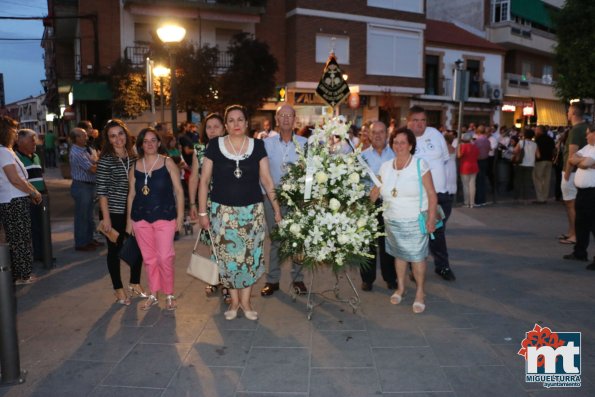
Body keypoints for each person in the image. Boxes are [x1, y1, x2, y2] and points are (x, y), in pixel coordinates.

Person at [198, 104, 281, 321]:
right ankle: (234, 302)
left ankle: (246, 301)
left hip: (252, 212)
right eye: (231, 120)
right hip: (221, 213)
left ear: (246, 123)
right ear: (226, 125)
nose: (236, 124)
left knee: (250, 258)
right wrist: (202, 212)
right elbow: (204, 180)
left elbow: (267, 179)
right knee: (227, 259)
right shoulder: (215, 146)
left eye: (240, 120)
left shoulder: (258, 145)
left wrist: (277, 209)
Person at [371, 128, 438, 314]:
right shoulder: (385, 166)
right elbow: (375, 193)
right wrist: (371, 195)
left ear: (410, 145)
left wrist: (431, 219)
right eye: (395, 142)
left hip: (415, 220)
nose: (398, 146)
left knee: (417, 257)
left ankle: (420, 292)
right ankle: (400, 287)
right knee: (399, 255)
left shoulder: (420, 164)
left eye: (402, 142)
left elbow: (432, 195)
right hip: (391, 220)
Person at [126, 128, 184, 311]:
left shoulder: (168, 163)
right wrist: (129, 221)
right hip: (140, 218)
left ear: (159, 143)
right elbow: (131, 195)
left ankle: (169, 293)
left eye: (153, 140)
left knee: (165, 257)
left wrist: (180, 218)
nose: (150, 144)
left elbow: (179, 191)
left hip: (164, 216)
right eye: (145, 141)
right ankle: (153, 293)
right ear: (141, 145)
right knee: (149, 259)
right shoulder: (135, 166)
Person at [97, 119, 147, 306]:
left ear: (126, 134)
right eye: (113, 136)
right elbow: (101, 191)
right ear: (108, 140)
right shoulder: (106, 160)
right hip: (113, 212)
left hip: (133, 211)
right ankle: (118, 289)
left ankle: (134, 283)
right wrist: (106, 218)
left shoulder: (134, 156)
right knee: (114, 251)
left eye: (120, 134)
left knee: (139, 247)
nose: (118, 139)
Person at [260, 104, 308, 296]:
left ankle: (298, 279)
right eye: (282, 116)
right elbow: (262, 173)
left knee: (297, 239)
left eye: (290, 116)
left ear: (295, 119)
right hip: (272, 198)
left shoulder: (305, 143)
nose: (286, 119)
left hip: (296, 199)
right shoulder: (266, 143)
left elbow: (310, 173)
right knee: (276, 239)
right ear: (277, 120)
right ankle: (272, 280)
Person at [406, 106, 455, 281]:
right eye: (415, 120)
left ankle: (442, 267)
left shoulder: (435, 134)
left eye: (423, 120)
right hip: (418, 198)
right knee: (417, 234)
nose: (420, 124)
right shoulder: (404, 139)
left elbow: (445, 159)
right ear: (408, 121)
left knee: (438, 233)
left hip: (441, 195)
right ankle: (414, 269)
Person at [188, 113, 228, 301]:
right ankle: (214, 279)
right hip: (209, 204)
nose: (212, 130)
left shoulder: (232, 147)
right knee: (214, 244)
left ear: (224, 128)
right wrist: (194, 203)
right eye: (209, 127)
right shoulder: (200, 150)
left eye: (216, 126)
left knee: (228, 244)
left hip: (230, 203)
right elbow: (194, 178)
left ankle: (227, 282)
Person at [0, 115, 42, 284]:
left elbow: (20, 178)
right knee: (19, 239)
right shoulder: (3, 152)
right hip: (13, 200)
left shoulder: (7, 151)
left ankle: (22, 273)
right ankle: (22, 275)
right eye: (13, 130)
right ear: (5, 132)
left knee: (21, 237)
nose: (16, 133)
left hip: (16, 199)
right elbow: (15, 179)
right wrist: (33, 193)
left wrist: (31, 191)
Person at [360, 121, 397, 291]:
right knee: (367, 242)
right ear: (369, 135)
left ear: (387, 135)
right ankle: (367, 279)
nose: (378, 135)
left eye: (381, 132)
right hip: (369, 204)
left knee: (388, 242)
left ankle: (390, 277)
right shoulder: (362, 156)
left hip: (390, 204)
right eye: (374, 132)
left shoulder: (396, 155)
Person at [564, 124, 595, 267]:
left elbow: (584, 163)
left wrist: (582, 161)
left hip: (592, 193)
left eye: (588, 133)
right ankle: (579, 252)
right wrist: (583, 161)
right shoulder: (588, 148)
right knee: (580, 223)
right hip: (582, 193)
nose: (586, 136)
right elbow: (572, 158)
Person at [15, 129, 47, 261]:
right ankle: (38, 255)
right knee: (34, 228)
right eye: (31, 141)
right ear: (21, 142)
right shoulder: (16, 158)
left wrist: (45, 192)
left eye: (35, 140)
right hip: (29, 198)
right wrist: (31, 194)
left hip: (41, 196)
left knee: (43, 225)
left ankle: (44, 253)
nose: (35, 143)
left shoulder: (36, 156)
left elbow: (40, 177)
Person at [69, 127, 102, 251]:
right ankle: (82, 243)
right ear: (76, 138)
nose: (86, 137)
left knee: (88, 215)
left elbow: (94, 162)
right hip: (82, 186)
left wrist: (97, 161)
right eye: (83, 136)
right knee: (82, 216)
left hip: (88, 186)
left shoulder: (83, 150)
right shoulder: (77, 152)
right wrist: (102, 162)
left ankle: (88, 240)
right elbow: (92, 169)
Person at [560, 103, 588, 245]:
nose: (567, 112)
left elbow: (572, 153)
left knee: (571, 205)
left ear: (574, 113)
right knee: (573, 204)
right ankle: (572, 232)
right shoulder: (585, 127)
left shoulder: (576, 130)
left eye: (569, 110)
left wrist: (567, 173)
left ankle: (575, 235)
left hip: (572, 173)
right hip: (581, 172)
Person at [513, 129, 538, 204]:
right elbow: (538, 155)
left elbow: (515, 151)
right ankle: (526, 199)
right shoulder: (535, 144)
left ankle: (516, 197)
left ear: (525, 135)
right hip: (530, 164)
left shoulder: (521, 142)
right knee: (527, 182)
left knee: (518, 181)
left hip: (521, 163)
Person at [533, 125, 555, 204]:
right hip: (549, 160)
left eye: (536, 130)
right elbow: (554, 149)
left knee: (538, 179)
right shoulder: (550, 139)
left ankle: (540, 198)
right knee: (546, 180)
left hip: (540, 161)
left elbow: (536, 150)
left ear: (539, 130)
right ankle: (545, 197)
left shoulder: (537, 139)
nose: (535, 132)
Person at [457, 132, 479, 208]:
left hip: (465, 167)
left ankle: (466, 202)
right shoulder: (475, 146)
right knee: (472, 185)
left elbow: (459, 155)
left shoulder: (463, 146)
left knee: (465, 186)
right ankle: (472, 203)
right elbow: (477, 155)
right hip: (474, 166)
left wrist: (459, 148)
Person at [473, 125, 490, 206]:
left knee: (478, 181)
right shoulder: (487, 140)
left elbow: (475, 152)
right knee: (482, 180)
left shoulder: (477, 141)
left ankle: (478, 200)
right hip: (485, 160)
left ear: (478, 132)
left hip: (478, 161)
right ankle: (483, 199)